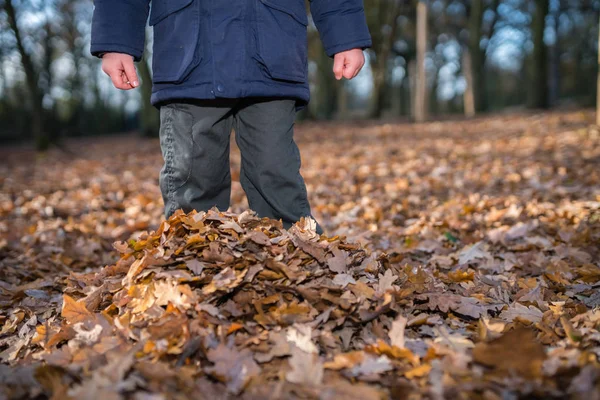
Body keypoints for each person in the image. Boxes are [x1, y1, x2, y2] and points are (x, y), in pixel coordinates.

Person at [91, 0, 372, 235]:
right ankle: (189, 267)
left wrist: (346, 36)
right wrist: (116, 41)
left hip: (272, 52)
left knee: (276, 175)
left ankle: (297, 264)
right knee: (192, 181)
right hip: (188, 54)